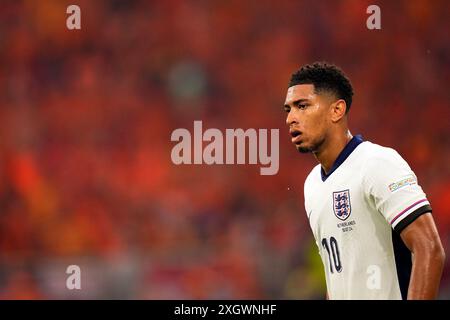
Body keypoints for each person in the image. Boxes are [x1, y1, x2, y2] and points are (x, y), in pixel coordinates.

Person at [283, 62, 445, 300]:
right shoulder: (312, 185)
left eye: (302, 106)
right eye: (288, 109)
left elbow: (430, 249)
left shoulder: (377, 163)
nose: (290, 119)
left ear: (337, 110)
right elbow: (337, 276)